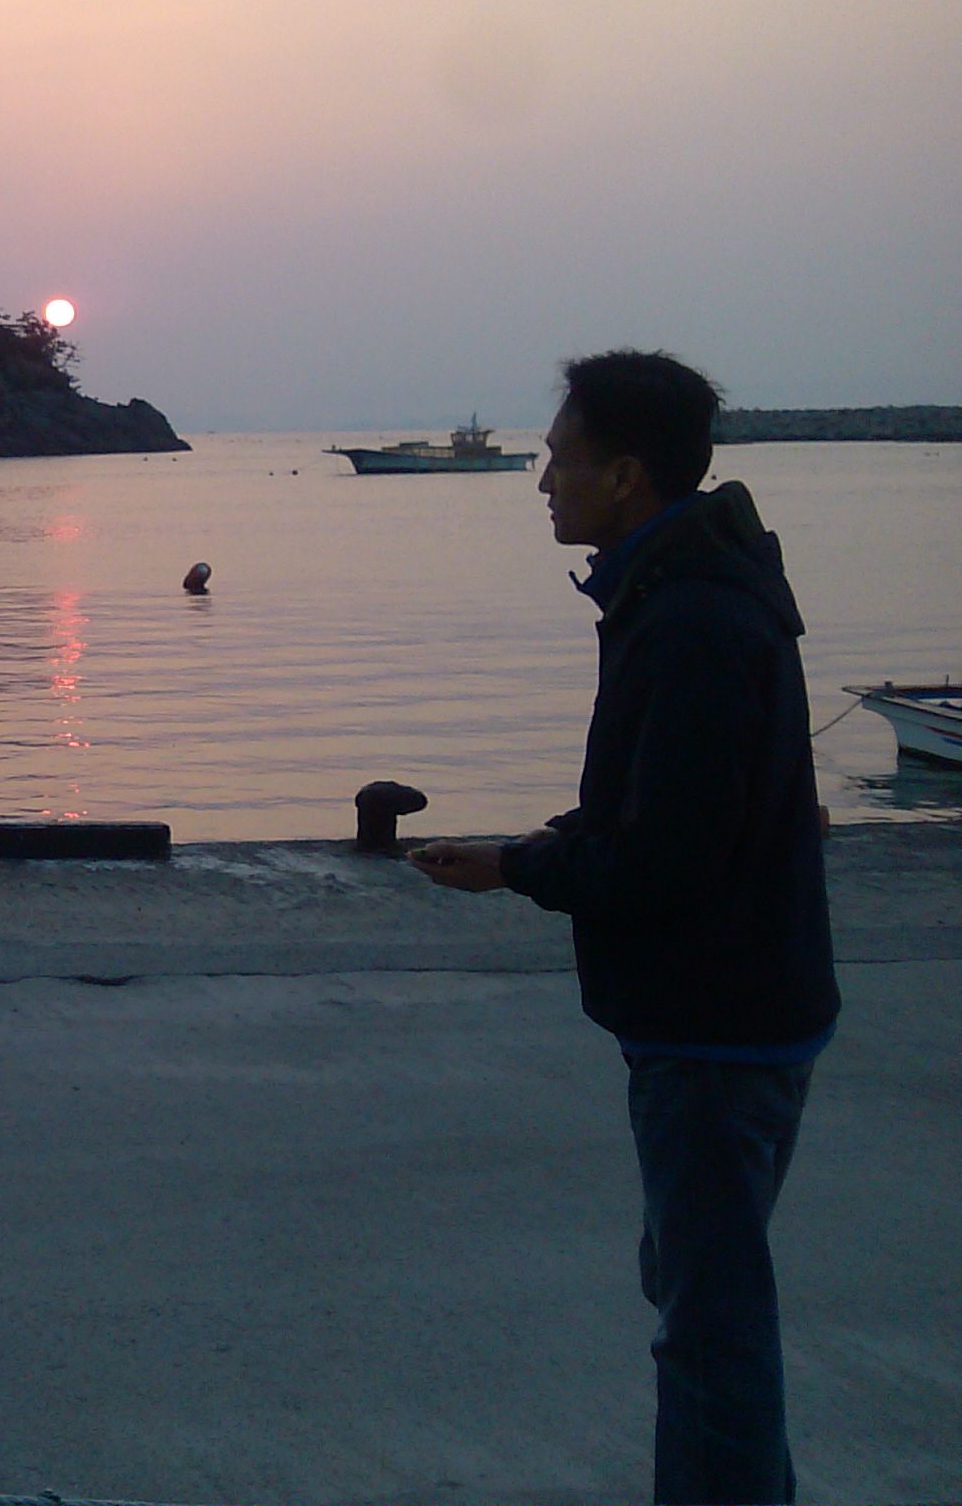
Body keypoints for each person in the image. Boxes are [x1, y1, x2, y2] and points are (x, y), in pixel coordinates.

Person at [413, 351, 837, 1506]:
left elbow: (667, 857)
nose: (543, 481)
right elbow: (681, 810)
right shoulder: (690, 590)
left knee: (711, 1334)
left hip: (718, 1025)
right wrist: (557, 841)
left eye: (561, 460)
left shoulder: (692, 619)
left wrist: (515, 866)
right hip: (741, 1006)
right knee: (697, 1289)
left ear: (627, 475)